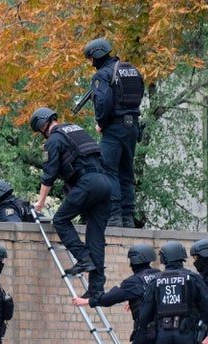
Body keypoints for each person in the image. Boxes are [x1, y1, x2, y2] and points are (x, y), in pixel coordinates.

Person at [30, 106, 112, 298]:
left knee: (60, 220)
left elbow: (49, 174)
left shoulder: (54, 140)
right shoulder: (75, 130)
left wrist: (40, 203)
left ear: (42, 125)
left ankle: (83, 258)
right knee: (95, 236)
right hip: (105, 184)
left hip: (88, 183)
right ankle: (96, 288)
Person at [83, 38, 144, 228]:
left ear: (98, 55)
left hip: (114, 128)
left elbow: (103, 102)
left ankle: (114, 218)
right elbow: (139, 93)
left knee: (109, 171)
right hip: (132, 126)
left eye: (91, 58)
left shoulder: (103, 75)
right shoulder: (131, 70)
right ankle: (127, 218)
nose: (91, 63)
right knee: (126, 172)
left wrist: (101, 122)